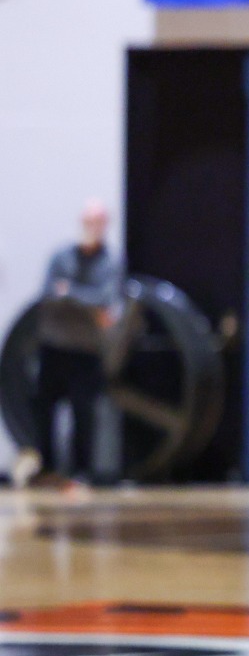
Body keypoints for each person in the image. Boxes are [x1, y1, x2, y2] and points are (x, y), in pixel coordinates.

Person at [20, 201, 124, 490]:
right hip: (53, 347)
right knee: (44, 409)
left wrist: (71, 294)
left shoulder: (111, 262)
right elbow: (48, 295)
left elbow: (105, 301)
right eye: (88, 221)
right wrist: (85, 303)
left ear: (105, 226)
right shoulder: (61, 256)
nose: (92, 227)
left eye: (98, 222)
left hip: (86, 351)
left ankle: (80, 473)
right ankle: (48, 469)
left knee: (84, 412)